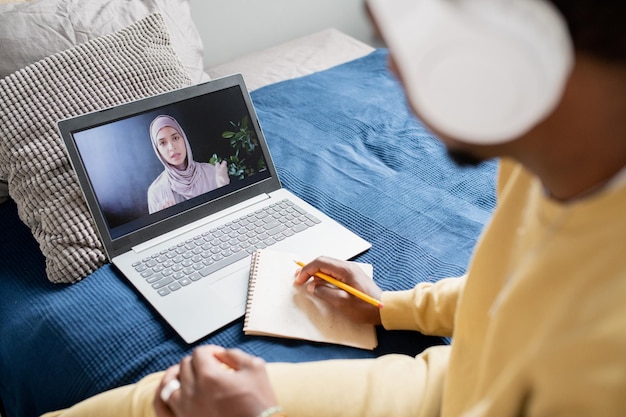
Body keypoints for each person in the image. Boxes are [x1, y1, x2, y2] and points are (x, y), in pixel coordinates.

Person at [43, 0, 626, 416]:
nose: (391, 65)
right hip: (462, 379)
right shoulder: (538, 158)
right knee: (168, 397)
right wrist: (386, 307)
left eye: (406, 33)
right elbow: (516, 291)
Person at [147, 115, 230, 213]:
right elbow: (159, 229)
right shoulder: (155, 192)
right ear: (157, 150)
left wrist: (225, 189)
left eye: (175, 138)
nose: (171, 147)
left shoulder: (211, 172)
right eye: (163, 143)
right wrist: (167, 221)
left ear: (184, 140)